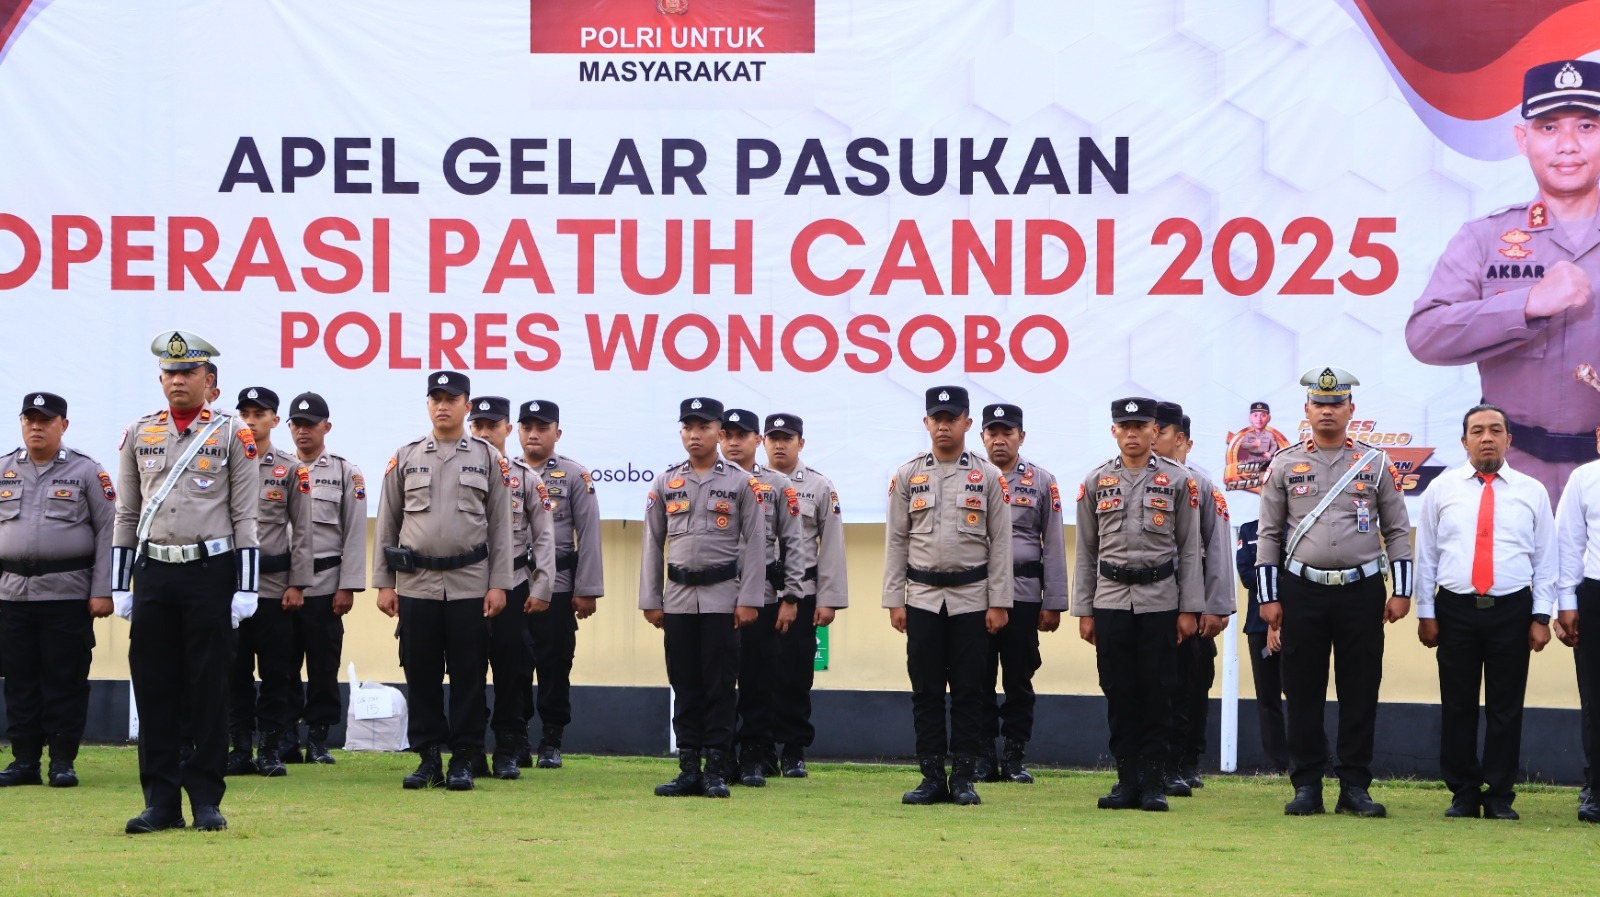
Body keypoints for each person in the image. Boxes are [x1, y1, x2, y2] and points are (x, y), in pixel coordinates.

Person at [1407, 59, 1600, 505]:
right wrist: (1527, 304)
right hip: (1514, 474)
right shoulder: (1484, 237)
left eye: (1586, 126)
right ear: (1522, 138)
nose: (1567, 145)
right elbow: (1425, 335)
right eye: (1549, 128)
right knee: (1513, 578)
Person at [112, 331, 259, 834]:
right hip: (153, 573)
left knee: (208, 687)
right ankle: (160, 802)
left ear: (209, 381)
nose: (178, 379)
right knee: (154, 688)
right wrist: (119, 583)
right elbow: (127, 514)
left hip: (209, 573)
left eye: (188, 372)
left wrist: (246, 588)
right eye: (170, 373)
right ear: (161, 379)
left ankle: (205, 800)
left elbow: (246, 517)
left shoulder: (231, 433)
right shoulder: (138, 433)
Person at [1255, 367, 1413, 818]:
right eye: (1319, 404)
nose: (1327, 411)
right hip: (1302, 589)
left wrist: (1401, 592)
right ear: (1307, 411)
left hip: (1362, 591)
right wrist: (1269, 597)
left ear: (1350, 410)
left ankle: (1354, 786)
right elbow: (1269, 535)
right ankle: (1306, 784)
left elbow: (1398, 531)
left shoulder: (1375, 462)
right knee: (1301, 690)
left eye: (1336, 403)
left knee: (1360, 689)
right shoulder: (1284, 463)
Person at [371, 371, 514, 792]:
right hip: (417, 584)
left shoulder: (488, 457)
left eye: (452, 398)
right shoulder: (407, 456)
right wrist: (384, 583)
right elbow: (388, 522)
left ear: (467, 406)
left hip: (471, 582)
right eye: (435, 398)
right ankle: (429, 756)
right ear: (428, 404)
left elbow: (501, 527)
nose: (443, 405)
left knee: (470, 674)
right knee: (421, 672)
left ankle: (465, 758)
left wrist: (499, 584)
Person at [1415, 404, 1556, 820]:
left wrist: (1541, 616)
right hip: (1455, 609)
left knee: (1505, 706)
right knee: (1457, 703)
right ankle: (1462, 791)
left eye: (1496, 430)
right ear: (1464, 441)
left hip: (1512, 609)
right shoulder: (1441, 489)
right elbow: (1427, 554)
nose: (1487, 437)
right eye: (1477, 431)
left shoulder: (1532, 490)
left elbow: (1546, 559)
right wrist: (1426, 611)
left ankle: (1498, 795)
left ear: (1509, 439)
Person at [1072, 397, 1204, 812]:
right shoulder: (1096, 481)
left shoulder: (1179, 481)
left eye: (1140, 426)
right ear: (1114, 431)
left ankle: (1153, 783)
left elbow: (1188, 548)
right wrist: (1084, 610)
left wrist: (1189, 609)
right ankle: (1126, 780)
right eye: (1124, 426)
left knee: (1159, 691)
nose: (1132, 433)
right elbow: (1086, 549)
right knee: (1119, 690)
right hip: (1110, 600)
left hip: (1160, 600)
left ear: (1154, 430)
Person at [883, 386, 1013, 807]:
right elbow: (897, 540)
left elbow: (1001, 543)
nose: (943, 424)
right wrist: (894, 599)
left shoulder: (987, 476)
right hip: (921, 597)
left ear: (967, 424)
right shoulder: (907, 475)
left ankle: (963, 778)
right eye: (936, 417)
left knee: (971, 690)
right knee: (926, 690)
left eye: (951, 417)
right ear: (926, 423)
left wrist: (999, 602)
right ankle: (931, 776)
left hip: (973, 598)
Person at [639, 397, 767, 799]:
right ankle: (689, 768)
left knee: (719, 684)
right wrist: (651, 598)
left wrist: (749, 599)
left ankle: (716, 768)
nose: (695, 435)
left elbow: (757, 543)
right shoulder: (665, 481)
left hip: (723, 599)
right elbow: (652, 542)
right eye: (688, 427)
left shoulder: (742, 483)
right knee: (685, 683)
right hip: (677, 599)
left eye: (704, 427)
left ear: (720, 433)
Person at [0, 392, 114, 788]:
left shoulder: (86, 471)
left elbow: (107, 530)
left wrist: (103, 590)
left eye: (45, 420)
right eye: (29, 418)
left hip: (67, 594)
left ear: (62, 425)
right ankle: (24, 761)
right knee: (19, 679)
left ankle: (62, 761)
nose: (36, 426)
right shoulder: (4, 469)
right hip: (12, 594)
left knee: (64, 678)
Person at [976, 402, 1066, 785]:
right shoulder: (970, 476)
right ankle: (981, 757)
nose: (999, 440)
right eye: (992, 433)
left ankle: (1014, 757)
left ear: (1021, 437)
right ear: (982, 437)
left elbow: (1055, 543)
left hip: (1025, 595)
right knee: (975, 679)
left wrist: (1054, 602)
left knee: (1019, 679)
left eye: (1007, 432)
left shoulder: (1042, 481)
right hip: (976, 597)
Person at [468, 396, 554, 779]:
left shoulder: (526, 478)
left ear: (507, 429)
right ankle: (469, 749)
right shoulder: (457, 469)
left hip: (515, 582)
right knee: (467, 668)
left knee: (513, 670)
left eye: (493, 425)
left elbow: (545, 538)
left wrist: (542, 587)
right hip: (466, 582)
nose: (484, 432)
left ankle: (508, 747)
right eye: (478, 425)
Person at [719, 407, 806, 787]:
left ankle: (755, 756)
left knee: (758, 680)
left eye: (743, 435)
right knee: (716, 682)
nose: (735, 442)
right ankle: (718, 755)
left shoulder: (776, 484)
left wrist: (791, 596)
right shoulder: (700, 480)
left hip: (764, 596)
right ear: (719, 438)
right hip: (716, 596)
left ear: (758, 440)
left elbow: (794, 544)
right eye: (729, 434)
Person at [516, 399, 604, 770]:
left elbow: (589, 533)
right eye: (527, 427)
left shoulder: (573, 475)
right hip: (515, 583)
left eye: (542, 427)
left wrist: (587, 589)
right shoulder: (504, 471)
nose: (533, 434)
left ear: (557, 432)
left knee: (554, 666)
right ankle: (515, 737)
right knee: (513, 664)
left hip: (560, 586)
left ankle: (551, 740)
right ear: (517, 431)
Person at [1153, 403, 1235, 795]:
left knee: (1192, 683)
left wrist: (1216, 606)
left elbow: (1217, 549)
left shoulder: (1202, 485)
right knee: (1155, 684)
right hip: (1151, 598)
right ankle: (1156, 761)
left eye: (1161, 431)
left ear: (1182, 439)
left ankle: (1185, 761)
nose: (1151, 437)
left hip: (1193, 601)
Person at [761, 412, 848, 778]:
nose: (780, 444)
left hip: (805, 592)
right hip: (759, 592)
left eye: (787, 438)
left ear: (801, 443)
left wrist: (829, 599)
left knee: (796, 673)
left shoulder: (819, 486)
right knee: (756, 673)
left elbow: (831, 547)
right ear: (763, 442)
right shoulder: (748, 482)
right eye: (773, 438)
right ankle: (759, 748)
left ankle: (793, 750)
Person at [283, 392, 367, 765]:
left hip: (325, 583)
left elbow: (353, 534)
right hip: (281, 586)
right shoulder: (277, 469)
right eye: (296, 424)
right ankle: (283, 736)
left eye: (310, 424)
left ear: (326, 427)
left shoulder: (346, 473)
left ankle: (318, 739)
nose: (303, 431)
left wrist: (347, 586)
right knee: (280, 665)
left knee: (323, 666)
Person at [231, 387, 310, 778]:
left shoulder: (291, 468)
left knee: (278, 673)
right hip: (231, 588)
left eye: (259, 414)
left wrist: (298, 584)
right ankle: (240, 748)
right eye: (244, 412)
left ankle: (271, 750)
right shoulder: (225, 460)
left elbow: (303, 530)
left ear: (275, 421)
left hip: (276, 587)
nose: (250, 419)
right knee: (233, 672)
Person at [1555, 421, 1600, 823]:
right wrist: (1566, 602)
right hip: (1596, 594)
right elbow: (1568, 543)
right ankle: (1597, 788)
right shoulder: (1584, 479)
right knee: (1595, 698)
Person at [1234, 519, 1290, 773]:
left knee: (1302, 694)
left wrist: (1274, 576)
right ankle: (1275, 764)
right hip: (1258, 626)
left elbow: (1298, 573)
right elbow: (1246, 575)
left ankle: (1316, 760)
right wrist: (1276, 576)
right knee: (1268, 698)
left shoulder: (1296, 526)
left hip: (1296, 624)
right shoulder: (1248, 530)